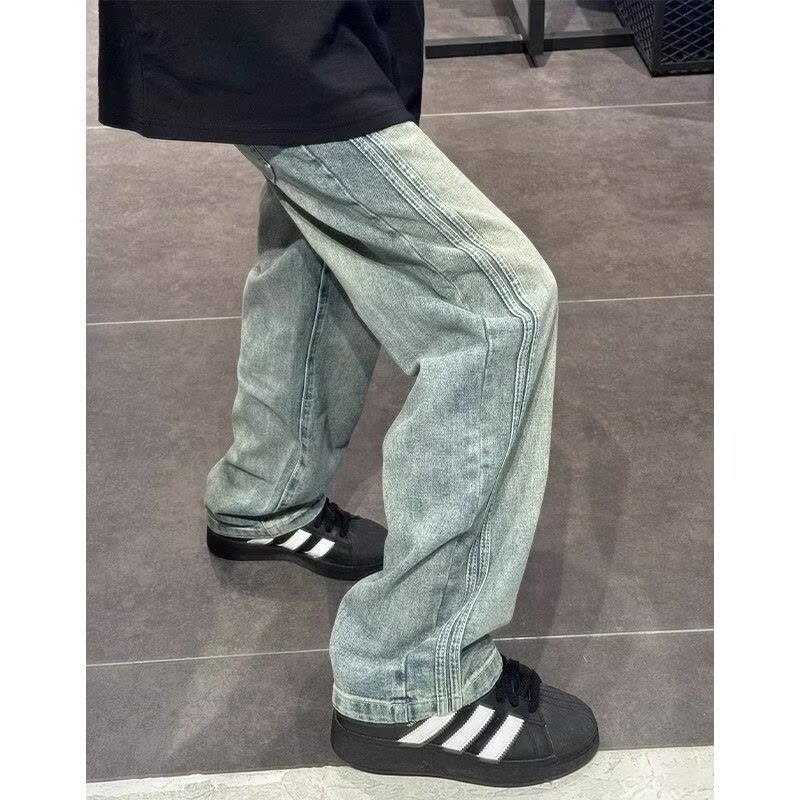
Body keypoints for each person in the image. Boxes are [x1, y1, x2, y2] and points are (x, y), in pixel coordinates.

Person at [98, 0, 599, 787]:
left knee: (322, 240)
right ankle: (411, 681)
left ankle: (265, 499)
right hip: (273, 29)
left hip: (324, 25)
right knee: (498, 310)